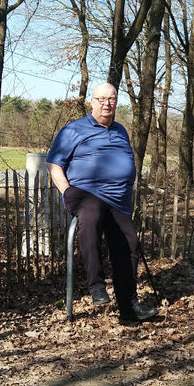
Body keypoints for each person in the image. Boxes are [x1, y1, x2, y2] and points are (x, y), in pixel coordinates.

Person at [46, 83, 159, 323]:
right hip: (84, 193)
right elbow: (54, 164)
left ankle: (129, 308)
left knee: (129, 244)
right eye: (102, 99)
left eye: (112, 99)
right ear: (92, 102)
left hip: (117, 200)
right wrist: (66, 190)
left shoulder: (120, 131)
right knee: (92, 214)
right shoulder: (73, 130)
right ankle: (96, 286)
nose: (107, 104)